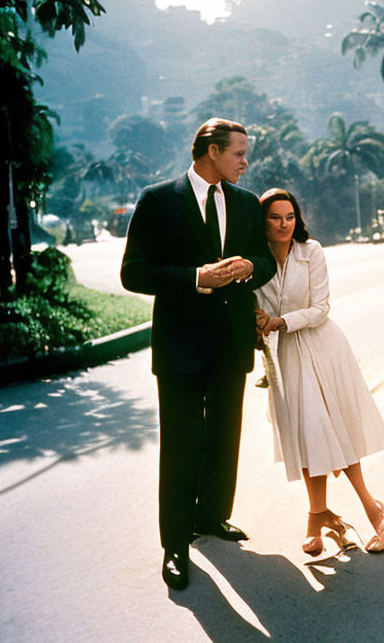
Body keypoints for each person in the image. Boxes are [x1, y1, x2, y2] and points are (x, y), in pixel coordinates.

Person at [121, 118, 276, 591]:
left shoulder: (248, 205)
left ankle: (212, 518)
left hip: (231, 342)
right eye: (239, 154)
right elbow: (133, 273)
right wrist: (194, 278)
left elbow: (267, 261)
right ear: (211, 150)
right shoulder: (157, 200)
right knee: (182, 445)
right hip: (180, 344)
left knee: (225, 437)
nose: (246, 163)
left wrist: (251, 265)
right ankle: (174, 544)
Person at [254, 188, 384, 556]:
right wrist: (257, 325)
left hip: (322, 348)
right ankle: (320, 514)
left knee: (332, 428)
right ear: (262, 222)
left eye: (290, 216)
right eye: (275, 217)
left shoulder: (311, 252)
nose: (284, 224)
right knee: (307, 436)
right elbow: (252, 311)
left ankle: (371, 509)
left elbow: (321, 308)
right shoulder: (253, 263)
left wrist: (278, 321)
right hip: (284, 356)